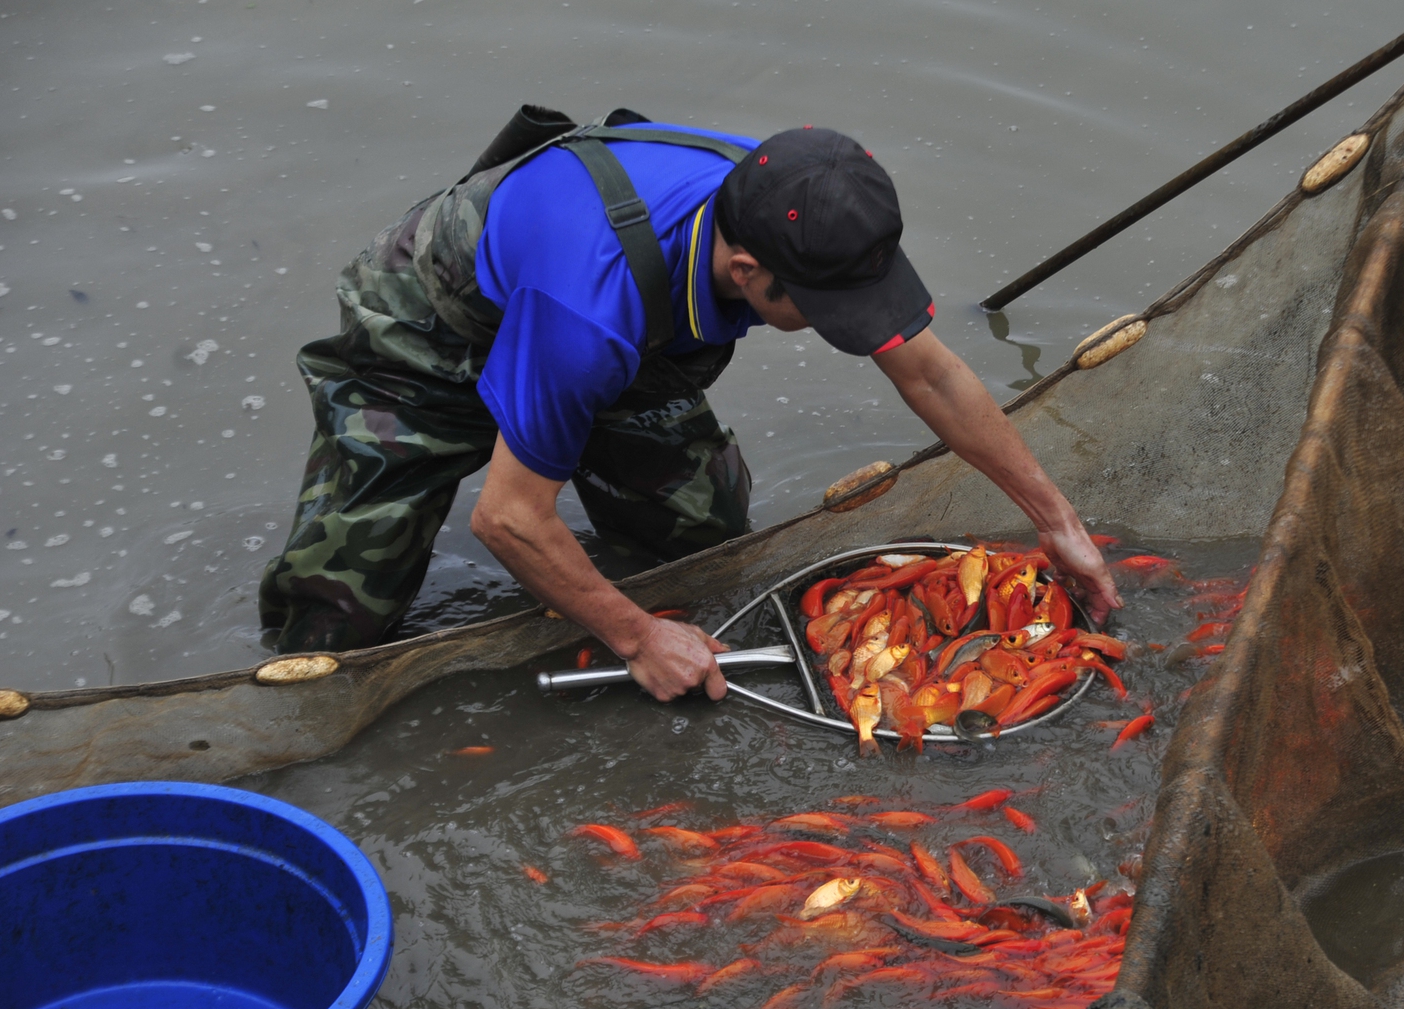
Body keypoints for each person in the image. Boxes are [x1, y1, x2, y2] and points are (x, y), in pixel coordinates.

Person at [257, 109, 1119, 700]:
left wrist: (1056, 519)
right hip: (433, 330)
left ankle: (589, 481)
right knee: (334, 627)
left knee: (706, 548)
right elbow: (507, 520)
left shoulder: (802, 205)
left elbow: (929, 374)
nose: (835, 331)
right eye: (820, 316)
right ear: (745, 274)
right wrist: (635, 639)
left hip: (620, 326)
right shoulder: (587, 313)